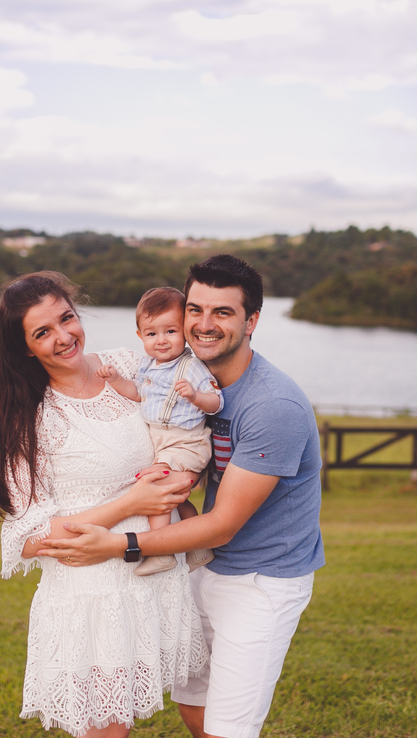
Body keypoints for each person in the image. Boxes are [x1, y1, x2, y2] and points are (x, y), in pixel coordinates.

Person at [39, 255, 325, 738]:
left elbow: (224, 523)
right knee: (193, 707)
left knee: (228, 728)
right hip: (201, 565)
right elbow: (104, 369)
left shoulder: (272, 405)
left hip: (261, 579)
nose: (204, 325)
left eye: (223, 313)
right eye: (195, 310)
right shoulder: (183, 372)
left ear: (252, 320)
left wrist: (121, 545)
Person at [0, 271, 206, 738]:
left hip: (154, 575)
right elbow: (29, 538)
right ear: (26, 347)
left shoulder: (128, 364)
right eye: (42, 332)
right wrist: (132, 501)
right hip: (93, 597)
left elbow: (187, 420)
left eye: (67, 318)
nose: (64, 336)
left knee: (202, 710)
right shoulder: (31, 419)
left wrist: (186, 475)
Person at [96, 286, 221, 576]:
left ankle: (160, 551)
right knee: (178, 497)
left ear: (185, 332)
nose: (161, 341)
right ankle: (200, 547)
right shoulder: (147, 367)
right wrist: (115, 379)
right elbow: (138, 394)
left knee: (157, 491)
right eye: (152, 334)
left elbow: (216, 402)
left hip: (186, 442)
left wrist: (194, 396)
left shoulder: (191, 367)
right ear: (140, 336)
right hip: (162, 443)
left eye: (170, 332)